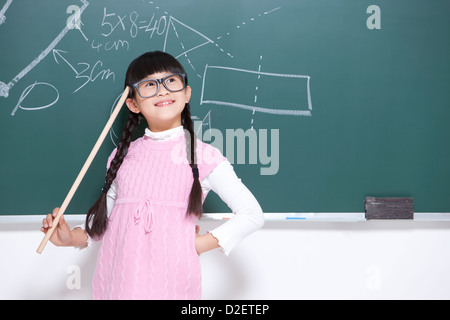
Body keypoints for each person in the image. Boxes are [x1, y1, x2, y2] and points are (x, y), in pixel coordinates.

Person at [40, 51, 264, 300]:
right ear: (133, 103)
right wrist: (69, 237)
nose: (162, 91)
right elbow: (108, 222)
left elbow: (252, 214)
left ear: (186, 93)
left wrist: (197, 245)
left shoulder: (205, 156)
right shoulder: (121, 156)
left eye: (171, 81)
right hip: (118, 285)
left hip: (172, 285)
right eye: (149, 85)